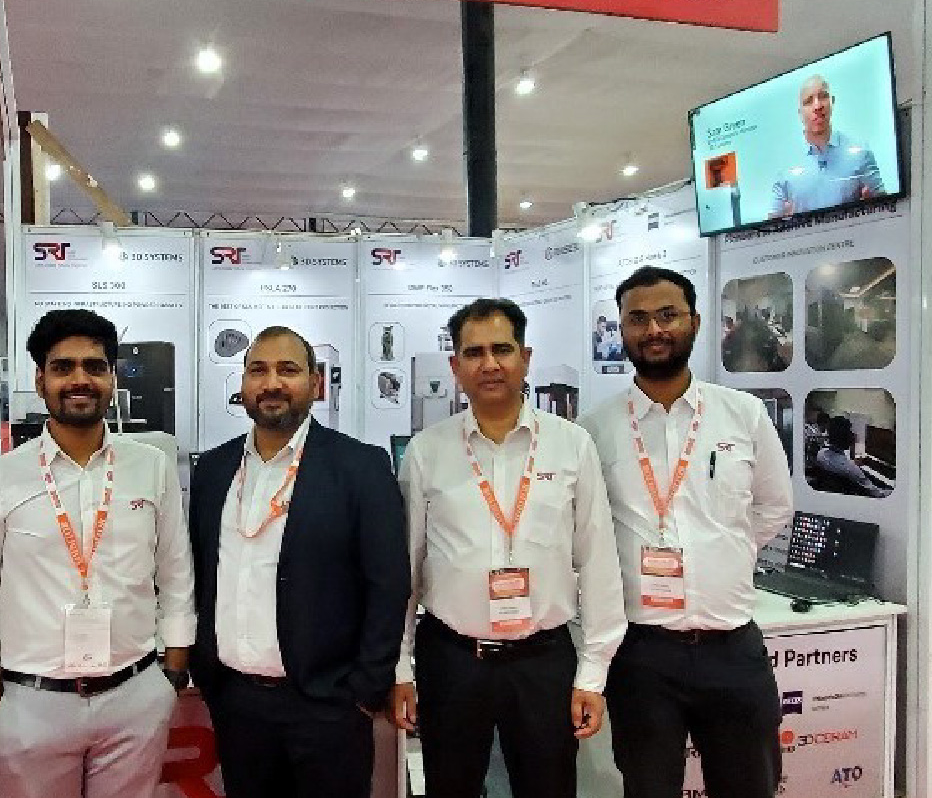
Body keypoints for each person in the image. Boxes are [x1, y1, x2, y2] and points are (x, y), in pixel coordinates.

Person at [0, 309, 195, 798]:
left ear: (112, 379)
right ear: (40, 381)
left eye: (94, 366)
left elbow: (175, 575)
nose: (80, 379)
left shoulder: (151, 467)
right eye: (63, 367)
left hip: (135, 695)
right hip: (30, 703)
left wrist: (170, 678)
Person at [389, 299, 625, 798]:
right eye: (474, 353)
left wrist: (593, 674)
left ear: (526, 357)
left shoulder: (572, 445)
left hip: (543, 662)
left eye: (502, 349)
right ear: (455, 366)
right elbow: (405, 569)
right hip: (452, 660)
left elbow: (598, 560)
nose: (489, 363)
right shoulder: (427, 451)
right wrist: (401, 666)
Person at [579, 266, 793, 798]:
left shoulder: (742, 415)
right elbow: (587, 535)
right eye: (638, 319)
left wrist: (724, 555)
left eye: (668, 315)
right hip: (642, 655)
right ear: (622, 330)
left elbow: (774, 508)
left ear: (695, 322)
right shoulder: (594, 430)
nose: (654, 329)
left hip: (732, 650)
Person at [187, 325, 408, 798]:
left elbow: (388, 584)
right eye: (258, 370)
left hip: (328, 708)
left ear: (315, 382)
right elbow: (201, 573)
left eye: (288, 370)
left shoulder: (360, 467)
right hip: (237, 705)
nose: (272, 384)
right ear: (243, 383)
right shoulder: (214, 470)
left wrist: (365, 689)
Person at [770, 74, 885, 218]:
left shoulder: (861, 152)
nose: (817, 106)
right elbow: (772, 222)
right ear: (800, 113)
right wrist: (781, 221)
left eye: (823, 96)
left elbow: (887, 207)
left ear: (832, 102)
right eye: (808, 101)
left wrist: (873, 206)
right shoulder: (785, 165)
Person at [814, 414, 892, 497]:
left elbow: (839, 463)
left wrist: (852, 462)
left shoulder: (820, 454)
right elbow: (878, 494)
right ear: (846, 438)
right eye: (850, 432)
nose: (852, 435)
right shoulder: (851, 469)